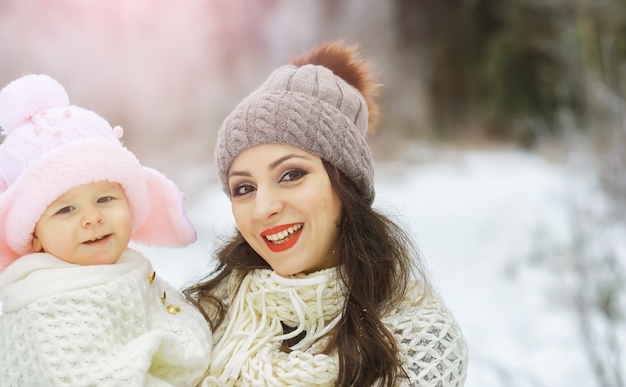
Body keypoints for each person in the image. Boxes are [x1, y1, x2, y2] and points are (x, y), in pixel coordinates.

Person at [184, 41, 468, 386]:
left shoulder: (418, 341)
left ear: (344, 185)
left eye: (291, 175)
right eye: (244, 188)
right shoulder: (204, 316)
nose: (264, 208)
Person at [0, 74, 212, 386]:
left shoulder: (127, 269)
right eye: (66, 209)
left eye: (105, 198)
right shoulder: (48, 306)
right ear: (33, 236)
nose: (92, 217)